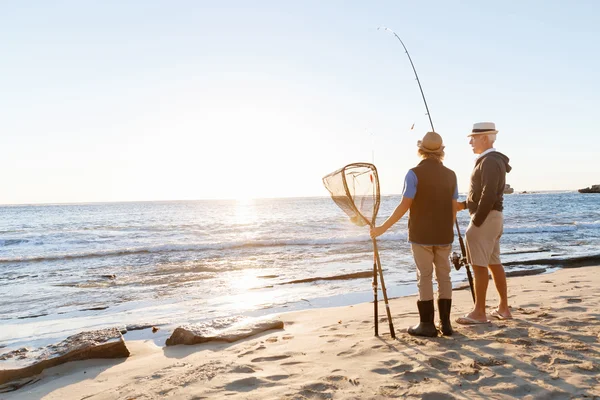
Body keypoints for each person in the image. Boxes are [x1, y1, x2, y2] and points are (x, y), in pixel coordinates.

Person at [370, 131, 458, 337]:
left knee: (425, 277)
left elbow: (404, 205)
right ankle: (446, 325)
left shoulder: (413, 173)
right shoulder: (451, 174)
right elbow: (453, 208)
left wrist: (382, 228)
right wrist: (448, 228)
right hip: (445, 234)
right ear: (441, 151)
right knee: (444, 276)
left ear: (421, 150)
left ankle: (427, 325)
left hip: (421, 235)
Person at [456, 122, 513, 325]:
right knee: (493, 263)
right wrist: (463, 205)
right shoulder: (491, 160)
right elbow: (484, 193)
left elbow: (488, 194)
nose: (470, 141)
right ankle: (503, 308)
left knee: (478, 265)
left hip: (486, 219)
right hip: (495, 217)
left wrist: (476, 221)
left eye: (473, 137)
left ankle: (479, 312)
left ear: (485, 138)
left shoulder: (488, 161)